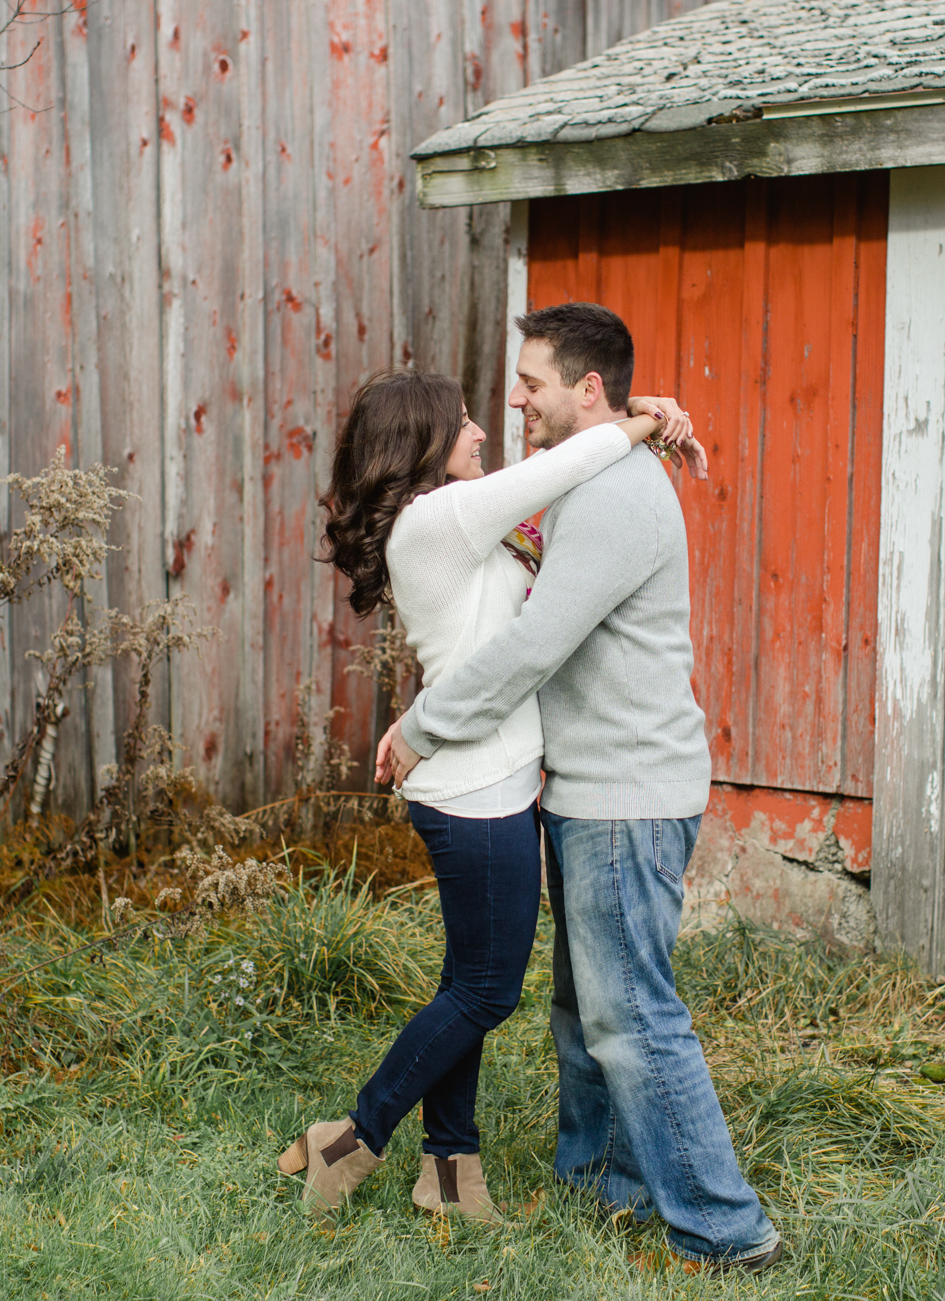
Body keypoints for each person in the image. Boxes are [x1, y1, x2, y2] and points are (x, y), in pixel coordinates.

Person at [377, 303, 784, 1272]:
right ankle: (600, 1184)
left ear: (584, 390)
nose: (514, 399)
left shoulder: (609, 494)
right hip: (590, 789)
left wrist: (422, 725)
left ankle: (723, 1230)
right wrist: (650, 414)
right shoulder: (590, 471)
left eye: (530, 383)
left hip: (625, 794)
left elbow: (529, 646)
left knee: (631, 1016)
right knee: (583, 1012)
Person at [281, 367, 702, 1222]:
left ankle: (449, 1170)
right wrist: (644, 417)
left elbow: (478, 631)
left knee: (464, 981)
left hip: (486, 780)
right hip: (476, 796)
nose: (483, 432)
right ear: (426, 444)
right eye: (466, 421)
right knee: (486, 991)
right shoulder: (438, 516)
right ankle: (351, 1138)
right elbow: (555, 470)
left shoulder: (452, 524)